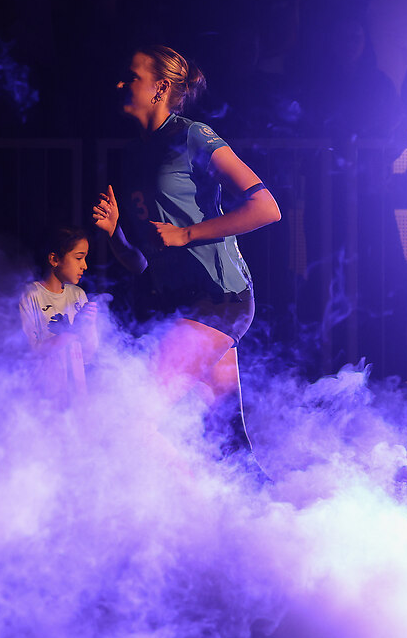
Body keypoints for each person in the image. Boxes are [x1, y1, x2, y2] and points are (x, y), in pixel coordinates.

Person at [93, 45, 281, 462]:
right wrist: (114, 234)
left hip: (218, 297)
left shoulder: (192, 135)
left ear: (160, 88)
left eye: (132, 77)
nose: (120, 84)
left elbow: (266, 208)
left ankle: (183, 502)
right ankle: (266, 502)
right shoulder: (133, 154)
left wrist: (187, 234)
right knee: (227, 443)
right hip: (180, 303)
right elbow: (142, 263)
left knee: (133, 416)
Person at [19, 226, 98, 403]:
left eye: (85, 258)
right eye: (79, 258)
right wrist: (73, 332)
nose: (84, 265)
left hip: (76, 395)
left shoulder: (78, 295)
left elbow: (88, 354)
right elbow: (31, 351)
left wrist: (90, 325)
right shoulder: (31, 295)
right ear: (54, 259)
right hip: (43, 397)